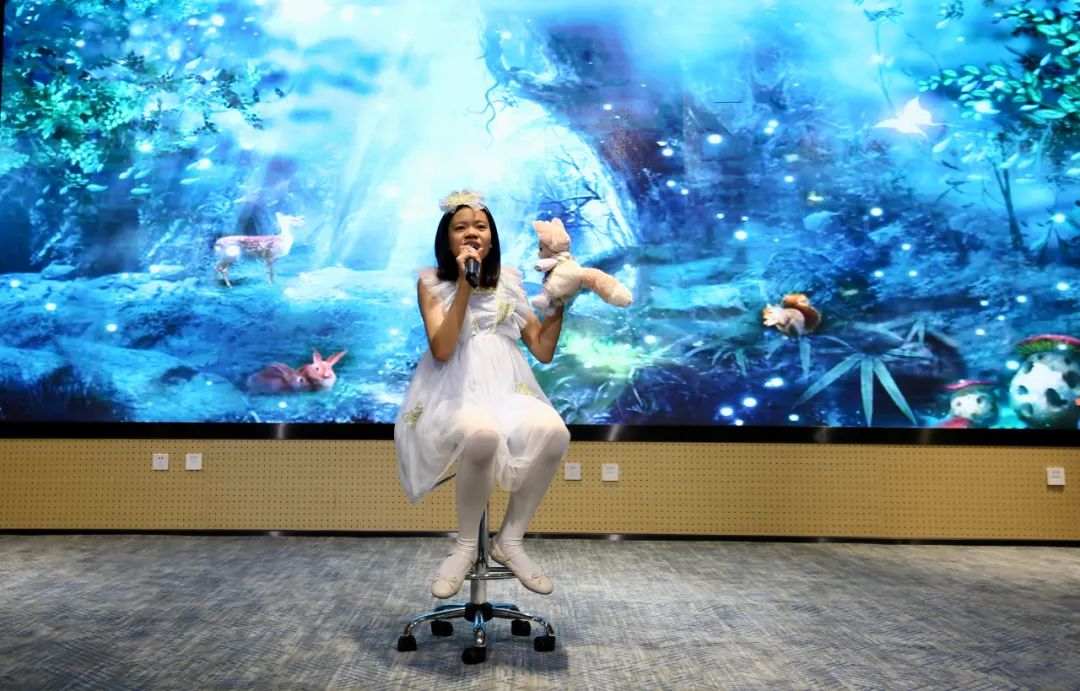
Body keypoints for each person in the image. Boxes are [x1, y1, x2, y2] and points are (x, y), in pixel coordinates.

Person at [394, 190, 571, 599]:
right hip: (452, 393)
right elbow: (443, 348)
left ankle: (510, 540)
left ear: (491, 238)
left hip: (508, 390)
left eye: (480, 226)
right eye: (461, 227)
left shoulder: (510, 280)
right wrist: (464, 285)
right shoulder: (431, 282)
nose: (472, 232)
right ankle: (464, 546)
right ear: (447, 238)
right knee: (483, 434)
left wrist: (560, 302)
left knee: (555, 433)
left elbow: (542, 349)